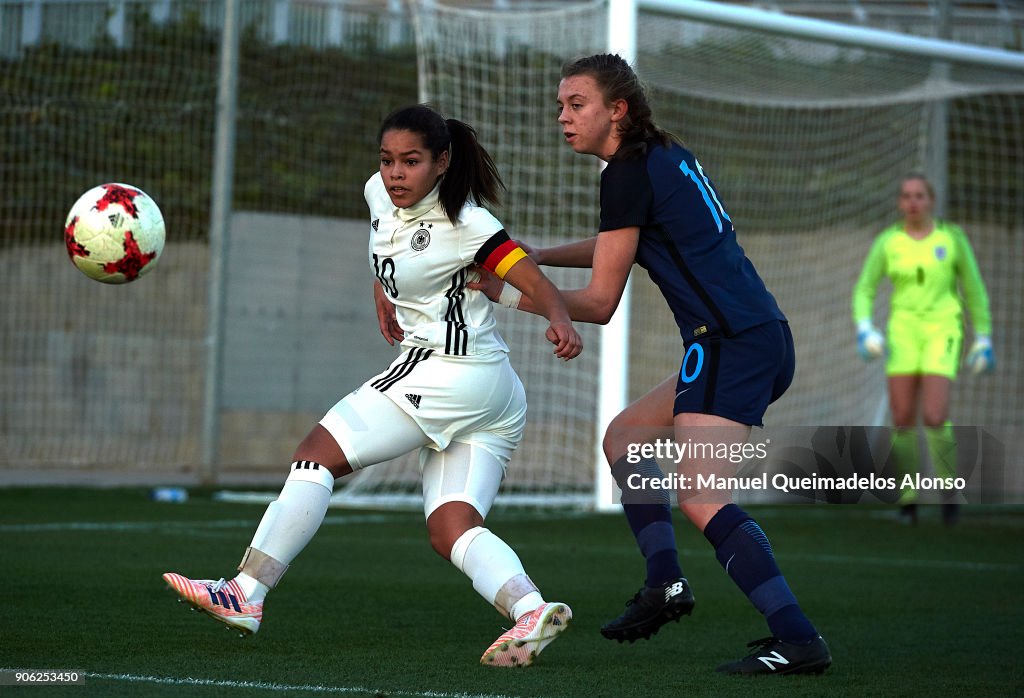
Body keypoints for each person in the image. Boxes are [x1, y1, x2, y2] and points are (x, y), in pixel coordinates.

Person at [163, 104, 582, 668]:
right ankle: (531, 609)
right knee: (451, 527)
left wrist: (559, 319)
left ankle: (247, 592)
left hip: (447, 373)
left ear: (442, 162)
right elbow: (388, 246)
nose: (395, 174)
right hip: (493, 393)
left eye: (411, 162)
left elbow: (532, 279)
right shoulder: (378, 195)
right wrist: (384, 294)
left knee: (315, 458)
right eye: (387, 161)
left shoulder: (468, 224)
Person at [470, 54, 830, 676]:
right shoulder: (659, 157)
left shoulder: (626, 173)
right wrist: (532, 257)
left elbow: (601, 305)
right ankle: (665, 582)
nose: (563, 117)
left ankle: (797, 639)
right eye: (560, 105)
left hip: (731, 341)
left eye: (576, 104)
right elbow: (623, 243)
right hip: (750, 337)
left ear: (618, 109)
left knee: (700, 496)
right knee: (626, 436)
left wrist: (502, 289)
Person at [852, 172, 993, 526]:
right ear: (900, 203)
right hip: (903, 333)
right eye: (906, 196)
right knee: (901, 418)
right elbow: (864, 289)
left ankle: (948, 493)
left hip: (943, 329)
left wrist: (984, 337)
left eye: (919, 195)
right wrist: (865, 327)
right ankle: (909, 501)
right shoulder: (888, 242)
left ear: (931, 200)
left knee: (933, 415)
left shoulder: (952, 238)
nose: (912, 202)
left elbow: (973, 289)